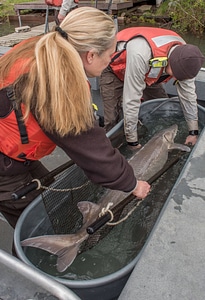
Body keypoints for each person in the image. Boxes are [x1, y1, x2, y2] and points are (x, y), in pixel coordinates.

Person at [0, 7, 150, 233]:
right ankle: (24, 265)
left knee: (52, 197)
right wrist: (132, 184)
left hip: (15, 153)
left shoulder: (43, 46)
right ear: (90, 55)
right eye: (108, 56)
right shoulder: (57, 84)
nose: (109, 63)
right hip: (4, 162)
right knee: (35, 227)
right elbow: (92, 150)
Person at [99, 27, 205, 150]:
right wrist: (132, 142)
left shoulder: (187, 58)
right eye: (176, 75)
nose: (176, 78)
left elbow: (188, 96)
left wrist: (193, 132)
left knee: (164, 111)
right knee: (112, 118)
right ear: (170, 61)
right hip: (114, 68)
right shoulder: (141, 53)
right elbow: (131, 99)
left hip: (150, 72)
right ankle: (110, 150)